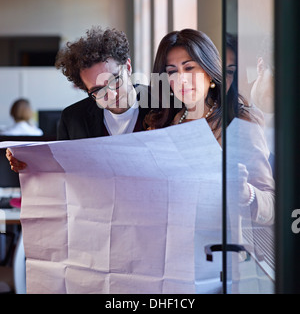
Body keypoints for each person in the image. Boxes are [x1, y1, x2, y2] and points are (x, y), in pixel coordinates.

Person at [144, 28, 275, 225]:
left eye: (189, 68)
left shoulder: (240, 121)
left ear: (209, 70)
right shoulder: (158, 126)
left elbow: (271, 205)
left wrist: (245, 193)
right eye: (172, 71)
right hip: (169, 240)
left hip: (219, 245)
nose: (182, 79)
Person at [6, 26, 152, 172]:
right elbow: (62, 171)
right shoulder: (73, 119)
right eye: (97, 90)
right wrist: (27, 161)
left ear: (127, 67)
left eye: (115, 80)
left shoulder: (164, 105)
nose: (112, 95)